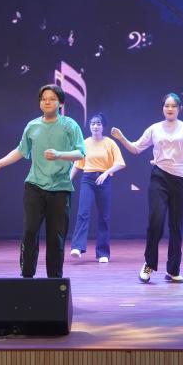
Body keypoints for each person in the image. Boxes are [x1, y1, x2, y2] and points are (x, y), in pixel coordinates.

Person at [0, 85, 86, 279]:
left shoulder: (70, 125)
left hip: (60, 189)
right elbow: (21, 150)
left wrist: (59, 154)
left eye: (52, 98)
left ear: (60, 103)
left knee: (55, 237)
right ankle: (27, 277)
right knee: (30, 231)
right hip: (34, 187)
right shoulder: (32, 126)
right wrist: (0, 163)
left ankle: (54, 281)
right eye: (43, 99)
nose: (47, 102)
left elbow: (80, 153)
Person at [111, 93, 183, 284]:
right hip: (159, 177)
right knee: (156, 221)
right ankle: (149, 264)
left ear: (179, 109)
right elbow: (136, 148)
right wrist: (121, 138)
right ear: (162, 108)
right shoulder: (155, 128)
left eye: (173, 106)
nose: (170, 109)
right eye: (166, 106)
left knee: (176, 226)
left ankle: (173, 270)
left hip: (180, 179)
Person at [69, 113, 126, 263]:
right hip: (87, 179)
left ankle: (103, 253)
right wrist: (67, 181)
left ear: (103, 126)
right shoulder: (84, 143)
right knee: (83, 212)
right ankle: (77, 247)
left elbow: (120, 163)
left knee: (104, 216)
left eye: (98, 124)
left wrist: (106, 173)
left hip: (104, 179)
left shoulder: (110, 143)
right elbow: (77, 165)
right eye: (93, 123)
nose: (95, 126)